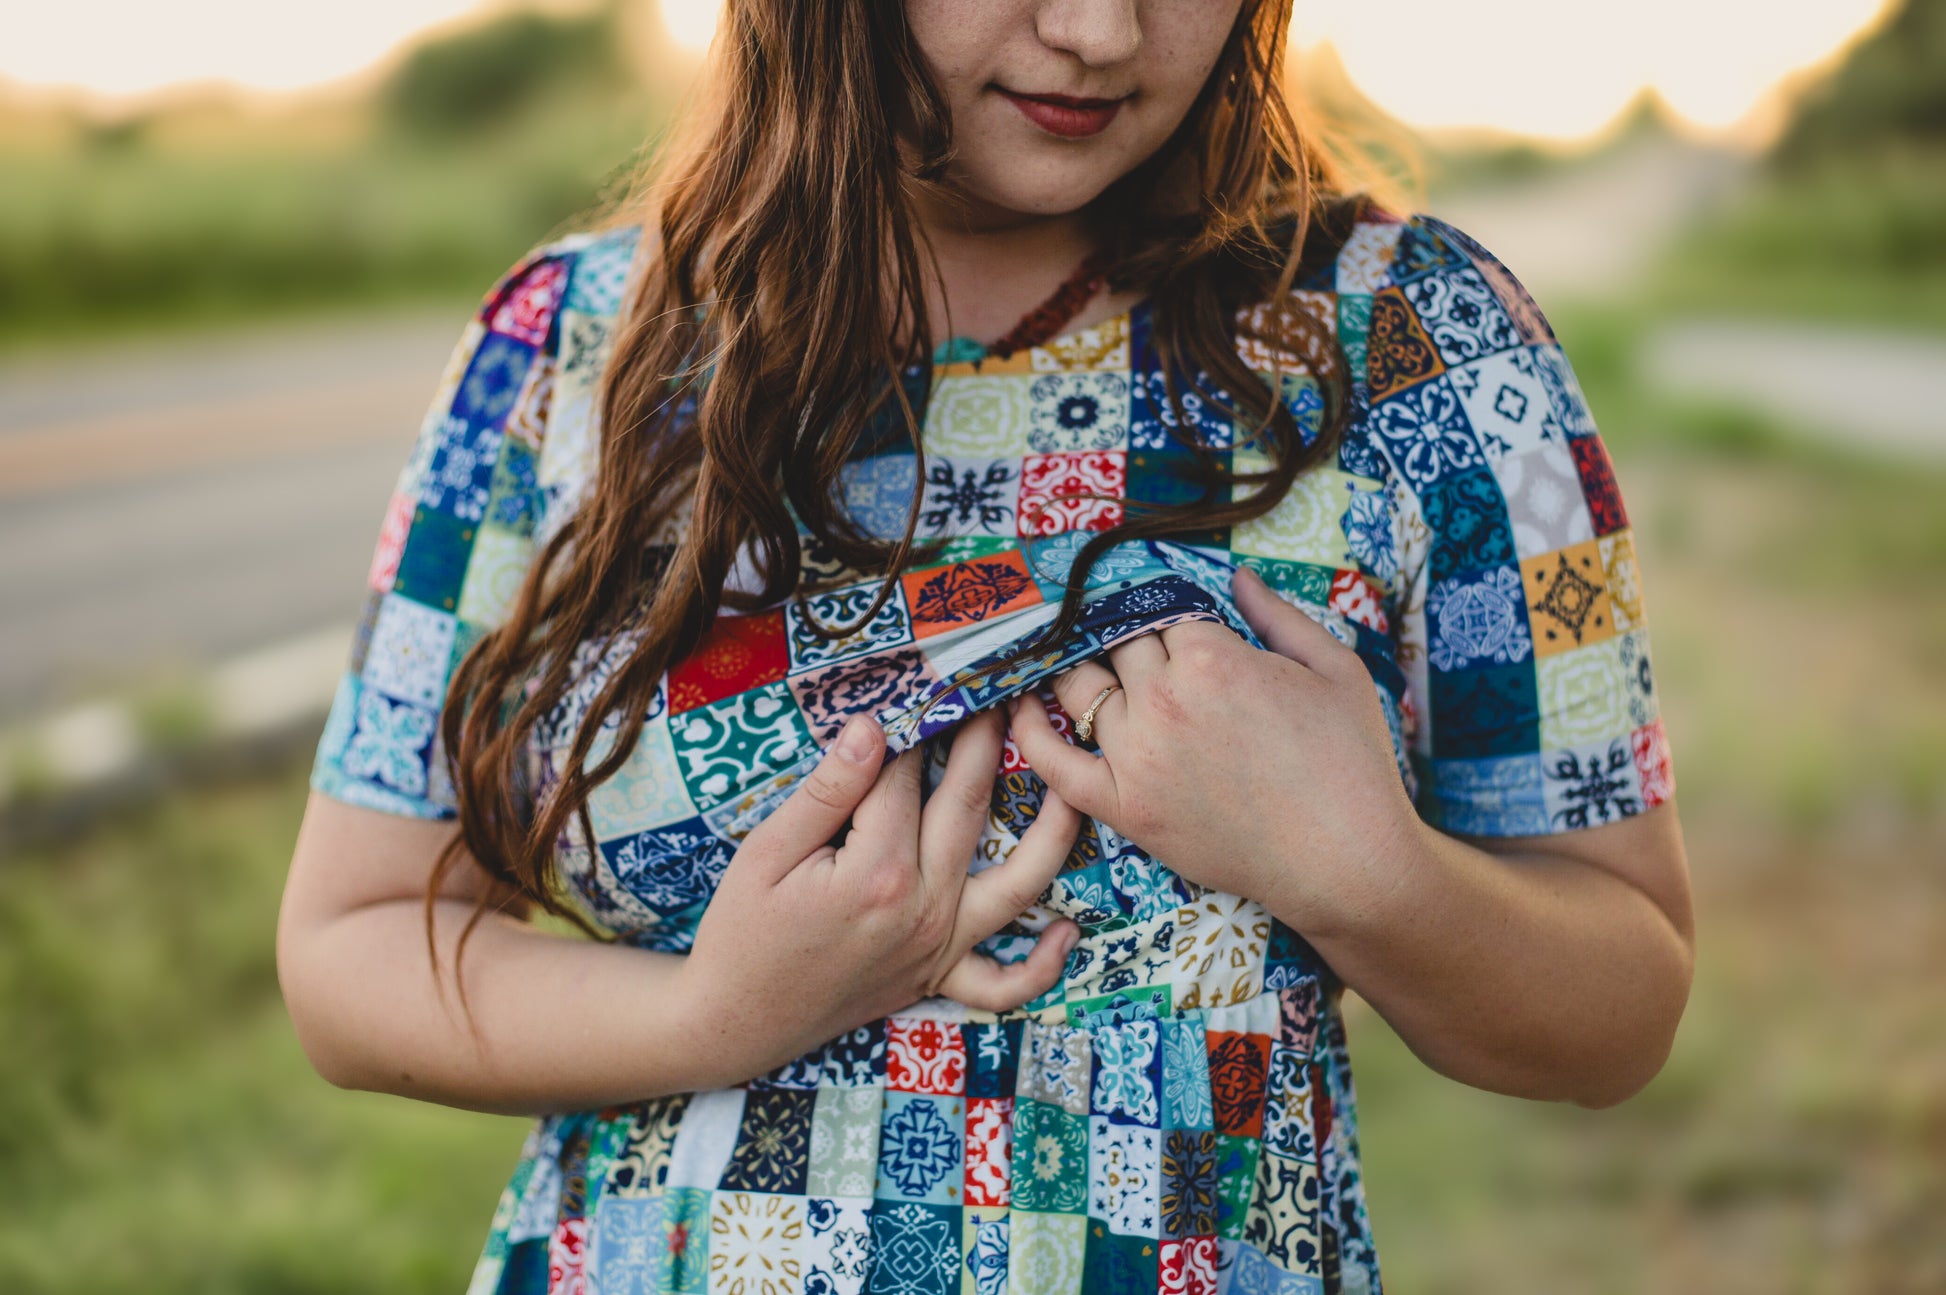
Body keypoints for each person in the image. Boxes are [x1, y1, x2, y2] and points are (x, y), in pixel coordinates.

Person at [275, 1, 1694, 1292]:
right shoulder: (569, 348)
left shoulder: (1425, 344)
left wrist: (1362, 867)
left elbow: (1618, 1009)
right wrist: (712, 1015)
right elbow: (353, 953)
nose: (1098, 32)